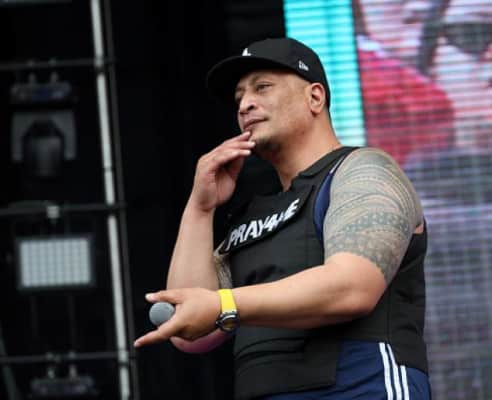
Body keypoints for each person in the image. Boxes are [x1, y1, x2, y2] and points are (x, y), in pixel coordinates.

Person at [134, 37, 431, 399]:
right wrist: (200, 208)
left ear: (315, 98)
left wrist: (225, 305)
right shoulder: (252, 218)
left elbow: (353, 287)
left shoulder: (363, 171)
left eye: (262, 87)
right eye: (239, 97)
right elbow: (189, 329)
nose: (245, 104)